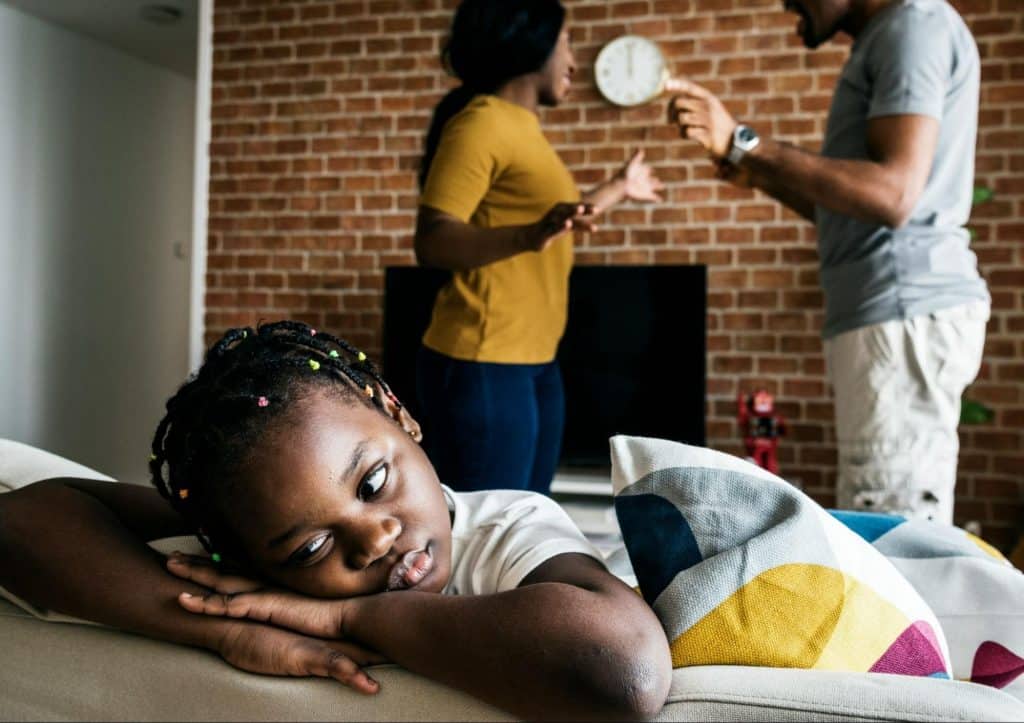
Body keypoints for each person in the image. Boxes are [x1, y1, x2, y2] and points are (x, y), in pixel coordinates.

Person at [0, 321, 671, 720]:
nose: (375, 537)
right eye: (311, 547)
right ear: (239, 562)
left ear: (399, 414)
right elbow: (19, 520)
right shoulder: (242, 562)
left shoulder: (508, 526)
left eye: (373, 482)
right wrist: (222, 631)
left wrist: (348, 618)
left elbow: (625, 672)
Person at [666, 0, 990, 523]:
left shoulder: (913, 25)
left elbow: (892, 195)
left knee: (891, 532)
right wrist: (760, 175)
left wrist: (745, 143)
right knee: (881, 516)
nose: (786, 1)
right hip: (888, 314)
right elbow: (856, 212)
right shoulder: (893, 32)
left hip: (900, 309)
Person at [414, 0, 664, 495]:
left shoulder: (522, 129)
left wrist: (619, 187)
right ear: (534, 41)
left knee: (527, 518)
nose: (573, 60)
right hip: (484, 358)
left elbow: (556, 222)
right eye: (568, 41)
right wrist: (530, 234)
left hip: (533, 357)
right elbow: (433, 240)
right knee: (493, 526)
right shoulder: (481, 123)